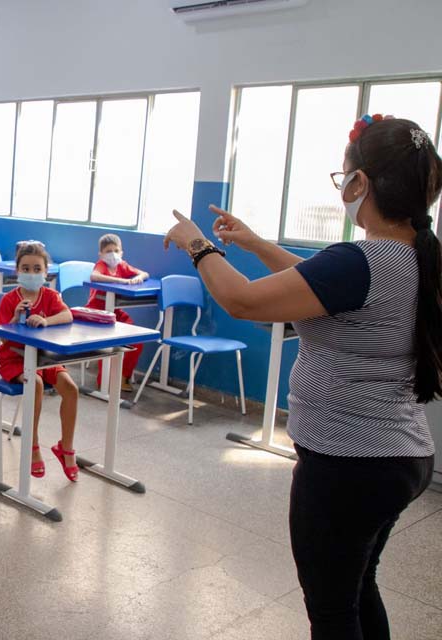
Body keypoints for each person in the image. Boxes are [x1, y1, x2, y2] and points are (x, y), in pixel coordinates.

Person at [163, 114, 440, 640]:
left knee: (333, 611)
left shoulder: (361, 260)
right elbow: (325, 286)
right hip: (401, 456)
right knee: (359, 589)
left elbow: (243, 300)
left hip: (347, 465)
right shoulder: (415, 257)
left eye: (344, 178)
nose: (343, 189)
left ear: (361, 183)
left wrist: (199, 245)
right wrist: (256, 243)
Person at [0, 241, 80, 481]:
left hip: (44, 357)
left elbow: (67, 315)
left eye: (36, 269)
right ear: (17, 271)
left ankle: (66, 447)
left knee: (71, 389)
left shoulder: (50, 296)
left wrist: (46, 321)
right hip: (15, 359)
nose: (31, 273)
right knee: (37, 385)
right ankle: (32, 446)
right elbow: (1, 336)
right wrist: (13, 318)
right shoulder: (10, 299)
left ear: (45, 272)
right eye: (25, 268)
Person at [86, 232, 149, 391]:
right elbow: (95, 276)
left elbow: (144, 273)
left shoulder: (122, 265)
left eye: (116, 250)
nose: (112, 254)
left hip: (114, 311)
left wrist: (138, 278)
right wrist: (122, 281)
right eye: (108, 251)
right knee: (107, 341)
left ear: (121, 252)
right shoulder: (101, 265)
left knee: (136, 338)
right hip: (97, 312)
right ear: (101, 254)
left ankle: (123, 377)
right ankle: (104, 382)